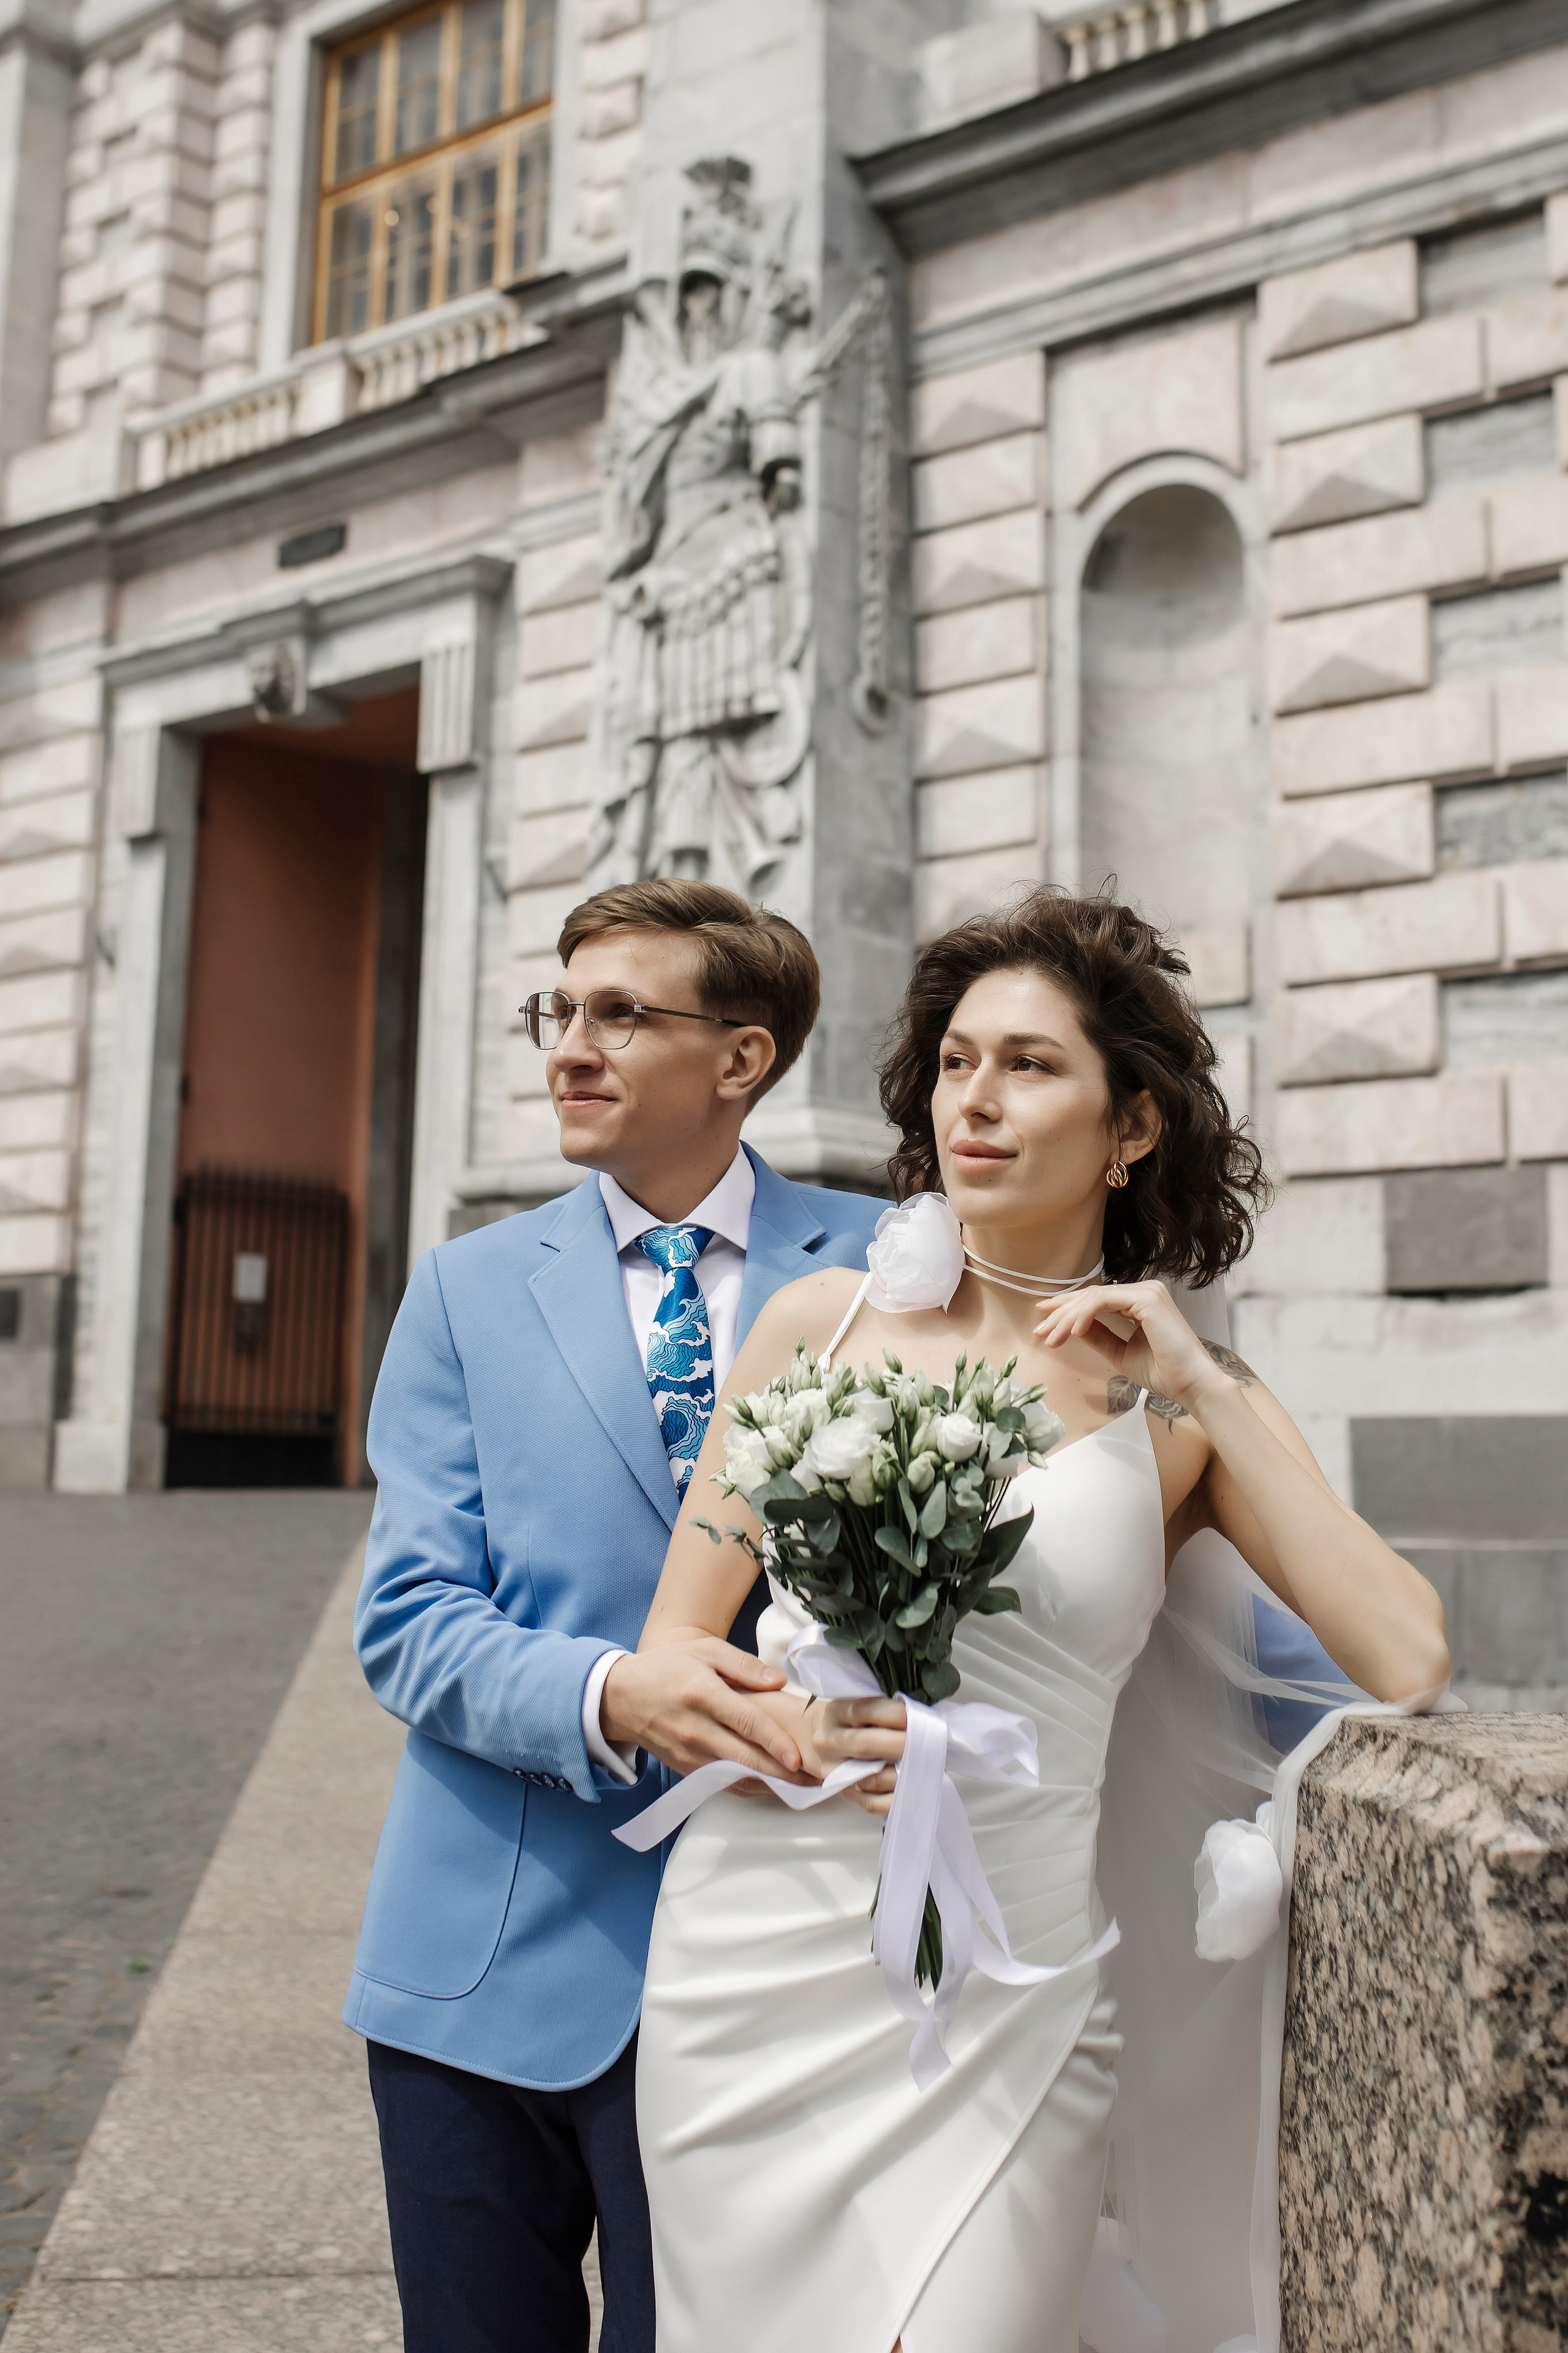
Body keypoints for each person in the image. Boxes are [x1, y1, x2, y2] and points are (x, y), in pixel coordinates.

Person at [628, 888, 1450, 2353]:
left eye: (1027, 1064)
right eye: (953, 1062)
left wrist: (1197, 1379)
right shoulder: (813, 1323)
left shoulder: (1182, 1409)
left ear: (1131, 1123)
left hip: (1015, 1985)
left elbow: (1407, 1652)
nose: (977, 1101)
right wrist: (796, 1720)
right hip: (757, 1955)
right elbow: (674, 1650)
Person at [344, 878, 884, 2353]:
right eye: (558, 1012)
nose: (568, 1048)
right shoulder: (462, 1289)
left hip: (787, 1962)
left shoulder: (891, 1263)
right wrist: (607, 1696)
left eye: (619, 1014)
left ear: (741, 1058)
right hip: (482, 1962)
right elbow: (406, 1618)